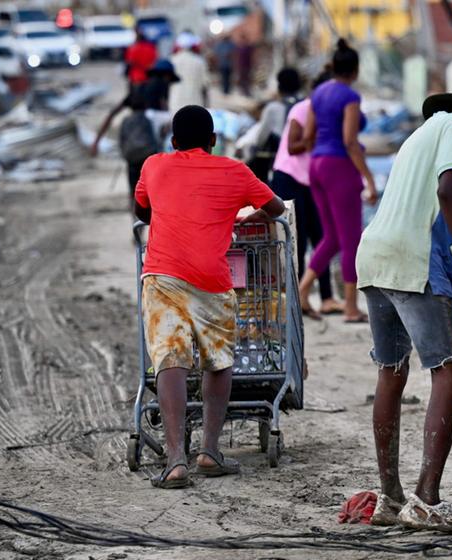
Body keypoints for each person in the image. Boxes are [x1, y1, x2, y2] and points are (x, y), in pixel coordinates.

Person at [354, 81, 452, 532]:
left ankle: (390, 497)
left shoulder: (421, 135)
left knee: (391, 371)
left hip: (375, 256)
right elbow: (447, 194)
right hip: (411, 262)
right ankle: (427, 498)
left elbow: (432, 209)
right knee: (448, 370)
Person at [135, 105, 286, 489]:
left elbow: (143, 211)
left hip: (163, 276)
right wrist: (243, 214)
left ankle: (175, 461)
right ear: (214, 140)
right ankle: (209, 451)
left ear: (173, 141)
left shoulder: (154, 165)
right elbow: (276, 208)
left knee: (170, 358)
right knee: (218, 361)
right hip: (212, 281)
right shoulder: (235, 171)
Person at [298, 40, 377, 322]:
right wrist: (369, 179)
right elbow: (350, 141)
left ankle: (302, 290)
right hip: (339, 167)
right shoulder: (350, 97)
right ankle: (351, 307)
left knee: (332, 237)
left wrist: (320, 157)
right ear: (355, 70)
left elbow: (307, 136)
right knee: (350, 238)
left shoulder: (318, 93)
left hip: (317, 165)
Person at [269, 70, 340, 318]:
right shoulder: (302, 109)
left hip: (313, 180)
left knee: (322, 236)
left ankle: (327, 297)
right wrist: (316, 138)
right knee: (296, 238)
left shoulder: (333, 114)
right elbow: (293, 146)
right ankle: (298, 299)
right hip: (290, 178)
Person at [91, 59, 181, 158]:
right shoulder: (163, 84)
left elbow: (112, 114)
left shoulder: (137, 90)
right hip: (153, 146)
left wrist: (96, 142)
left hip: (134, 146)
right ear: (167, 76)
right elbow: (163, 108)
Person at [169, 42, 208, 111]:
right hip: (195, 101)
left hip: (176, 101)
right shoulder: (199, 61)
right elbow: (205, 82)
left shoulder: (172, 60)